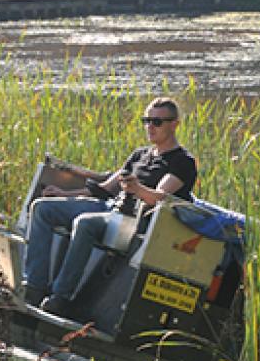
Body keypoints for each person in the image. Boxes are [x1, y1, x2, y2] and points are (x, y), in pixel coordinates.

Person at [23, 97, 198, 315]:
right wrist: (64, 194)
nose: (150, 127)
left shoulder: (182, 161)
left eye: (157, 122)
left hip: (136, 221)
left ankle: (61, 297)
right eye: (146, 120)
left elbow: (159, 198)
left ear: (174, 124)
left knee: (84, 223)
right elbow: (104, 188)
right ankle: (34, 287)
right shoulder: (140, 155)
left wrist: (137, 188)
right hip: (110, 208)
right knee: (43, 208)